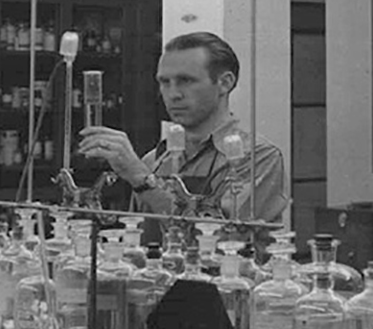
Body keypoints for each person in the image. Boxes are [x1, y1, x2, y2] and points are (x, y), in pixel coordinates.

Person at [78, 31, 288, 224]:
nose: (173, 94)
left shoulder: (257, 158)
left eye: (186, 81)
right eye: (165, 82)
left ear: (225, 83)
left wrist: (141, 179)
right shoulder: (156, 160)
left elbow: (225, 239)